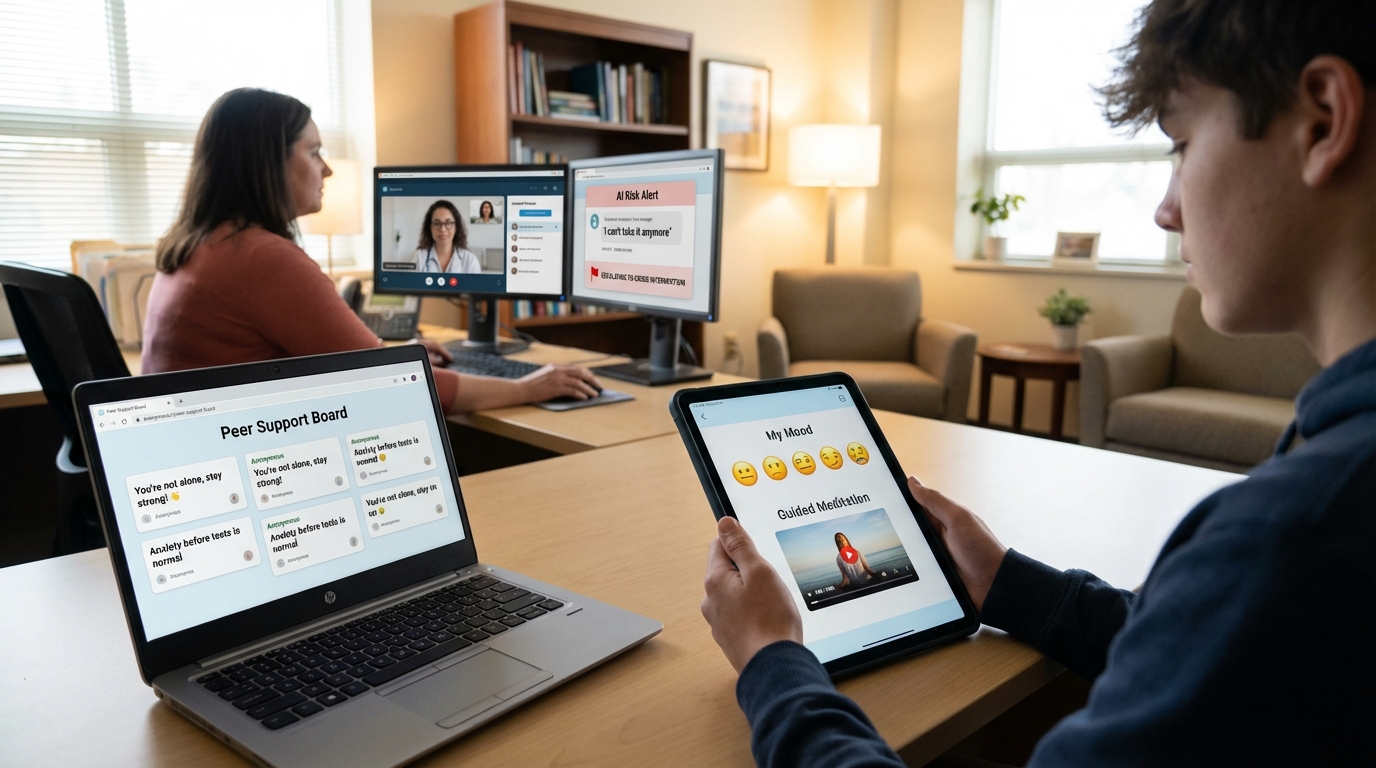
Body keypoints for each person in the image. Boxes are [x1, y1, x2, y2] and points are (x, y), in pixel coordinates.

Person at [701, 1, 1376, 765]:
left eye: (1181, 144)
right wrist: (1009, 585)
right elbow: (1231, 647)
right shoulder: (1317, 505)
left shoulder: (1296, 536)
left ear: (1322, 121)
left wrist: (772, 662)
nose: (1163, 209)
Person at [143, 88, 600, 412]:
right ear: (267, 162)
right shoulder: (261, 258)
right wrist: (528, 386)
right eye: (313, 151)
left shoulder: (201, 245)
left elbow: (352, 362)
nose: (326, 170)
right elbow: (395, 385)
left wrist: (399, 353)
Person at [415, 200, 481, 273]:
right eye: (437, 223)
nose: (443, 229)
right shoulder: (419, 258)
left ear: (456, 227)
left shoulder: (469, 259)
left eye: (449, 223)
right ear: (430, 228)